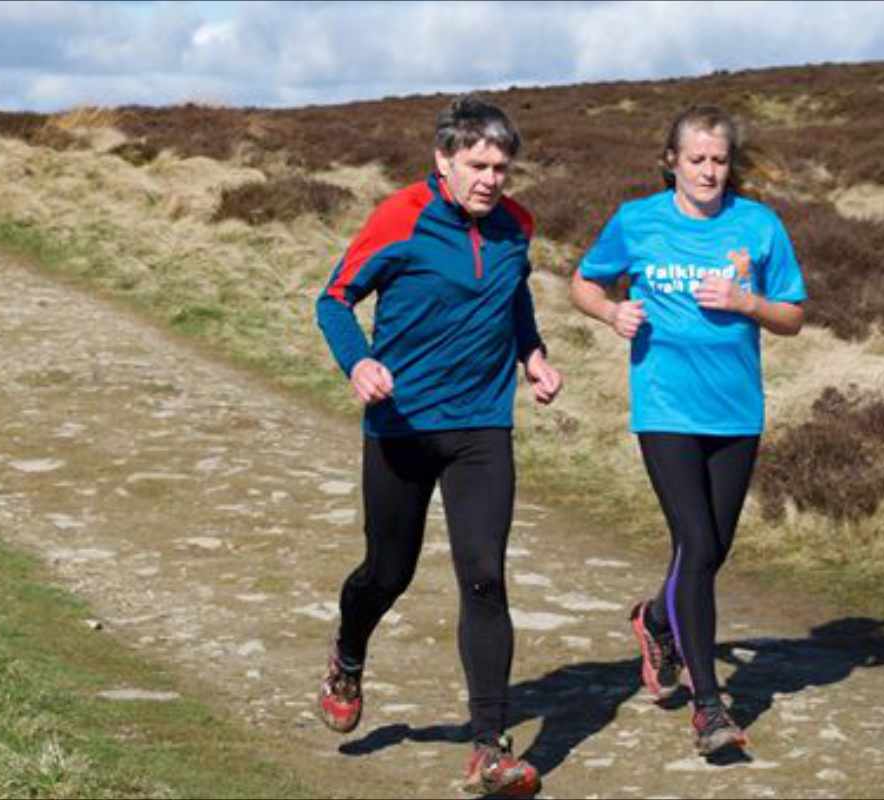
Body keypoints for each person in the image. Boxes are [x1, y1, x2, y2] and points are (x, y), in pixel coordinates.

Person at [314, 95, 562, 796]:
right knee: (386, 573)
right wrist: (358, 362)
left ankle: (489, 747)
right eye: (477, 165)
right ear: (443, 160)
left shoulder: (517, 226)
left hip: (482, 427)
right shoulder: (401, 217)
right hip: (402, 424)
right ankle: (349, 652)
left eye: (501, 167)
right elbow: (333, 299)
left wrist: (533, 357)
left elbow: (513, 298)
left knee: (485, 575)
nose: (490, 179)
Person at [569, 105, 806, 755]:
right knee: (696, 541)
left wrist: (748, 302)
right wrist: (611, 311)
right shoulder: (637, 221)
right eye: (696, 159)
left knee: (711, 551)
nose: (708, 171)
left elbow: (793, 314)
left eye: (719, 160)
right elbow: (584, 284)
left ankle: (654, 619)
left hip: (736, 412)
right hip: (665, 408)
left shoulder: (758, 225)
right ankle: (709, 707)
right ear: (670, 160)